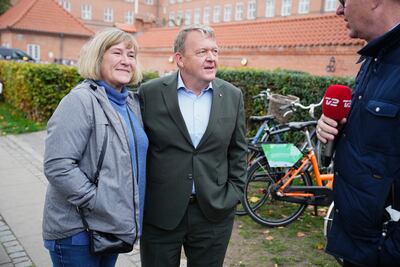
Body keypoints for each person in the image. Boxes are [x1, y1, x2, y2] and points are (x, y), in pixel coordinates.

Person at [138, 24, 247, 267]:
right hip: (161, 213)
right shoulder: (150, 93)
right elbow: (137, 149)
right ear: (180, 59)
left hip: (213, 212)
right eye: (202, 52)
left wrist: (233, 194)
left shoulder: (232, 95)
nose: (211, 59)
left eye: (215, 51)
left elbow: (238, 150)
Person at [42, 28, 148, 266]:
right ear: (98, 57)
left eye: (131, 55)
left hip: (112, 227)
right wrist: (98, 201)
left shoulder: (131, 103)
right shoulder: (79, 101)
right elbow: (57, 165)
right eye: (117, 53)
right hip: (77, 232)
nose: (125, 61)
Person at [317, 0, 400, 266]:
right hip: (359, 245)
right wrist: (336, 129)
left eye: (343, 1)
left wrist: (389, 251)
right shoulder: (372, 59)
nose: (338, 10)